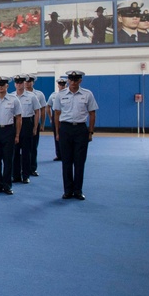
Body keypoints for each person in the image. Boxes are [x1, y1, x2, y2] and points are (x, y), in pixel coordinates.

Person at [53, 70, 98, 200]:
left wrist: (90, 132)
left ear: (80, 81)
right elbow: (57, 113)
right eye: (71, 80)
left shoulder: (87, 94)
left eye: (75, 80)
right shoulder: (60, 95)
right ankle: (67, 190)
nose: (73, 82)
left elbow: (92, 114)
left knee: (79, 162)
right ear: (68, 80)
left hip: (80, 130)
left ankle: (78, 190)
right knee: (66, 161)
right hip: (65, 129)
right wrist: (57, 132)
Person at [11, 75, 39, 185]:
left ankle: (26, 175)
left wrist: (35, 127)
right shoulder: (11, 96)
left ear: (24, 83)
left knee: (26, 151)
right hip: (14, 123)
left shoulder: (31, 96)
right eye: (17, 82)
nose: (19, 84)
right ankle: (16, 175)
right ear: (14, 84)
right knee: (15, 151)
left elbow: (37, 112)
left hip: (27, 123)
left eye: (20, 82)